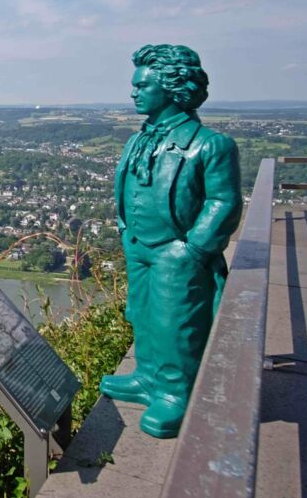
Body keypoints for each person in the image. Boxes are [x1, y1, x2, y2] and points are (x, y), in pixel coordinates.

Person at [100, 44, 242, 438]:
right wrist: (126, 228)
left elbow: (224, 201)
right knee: (142, 313)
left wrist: (194, 248)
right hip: (139, 245)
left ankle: (175, 393)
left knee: (176, 321)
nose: (133, 92)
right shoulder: (137, 140)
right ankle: (147, 376)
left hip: (176, 251)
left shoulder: (210, 144)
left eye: (142, 85)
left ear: (171, 87)